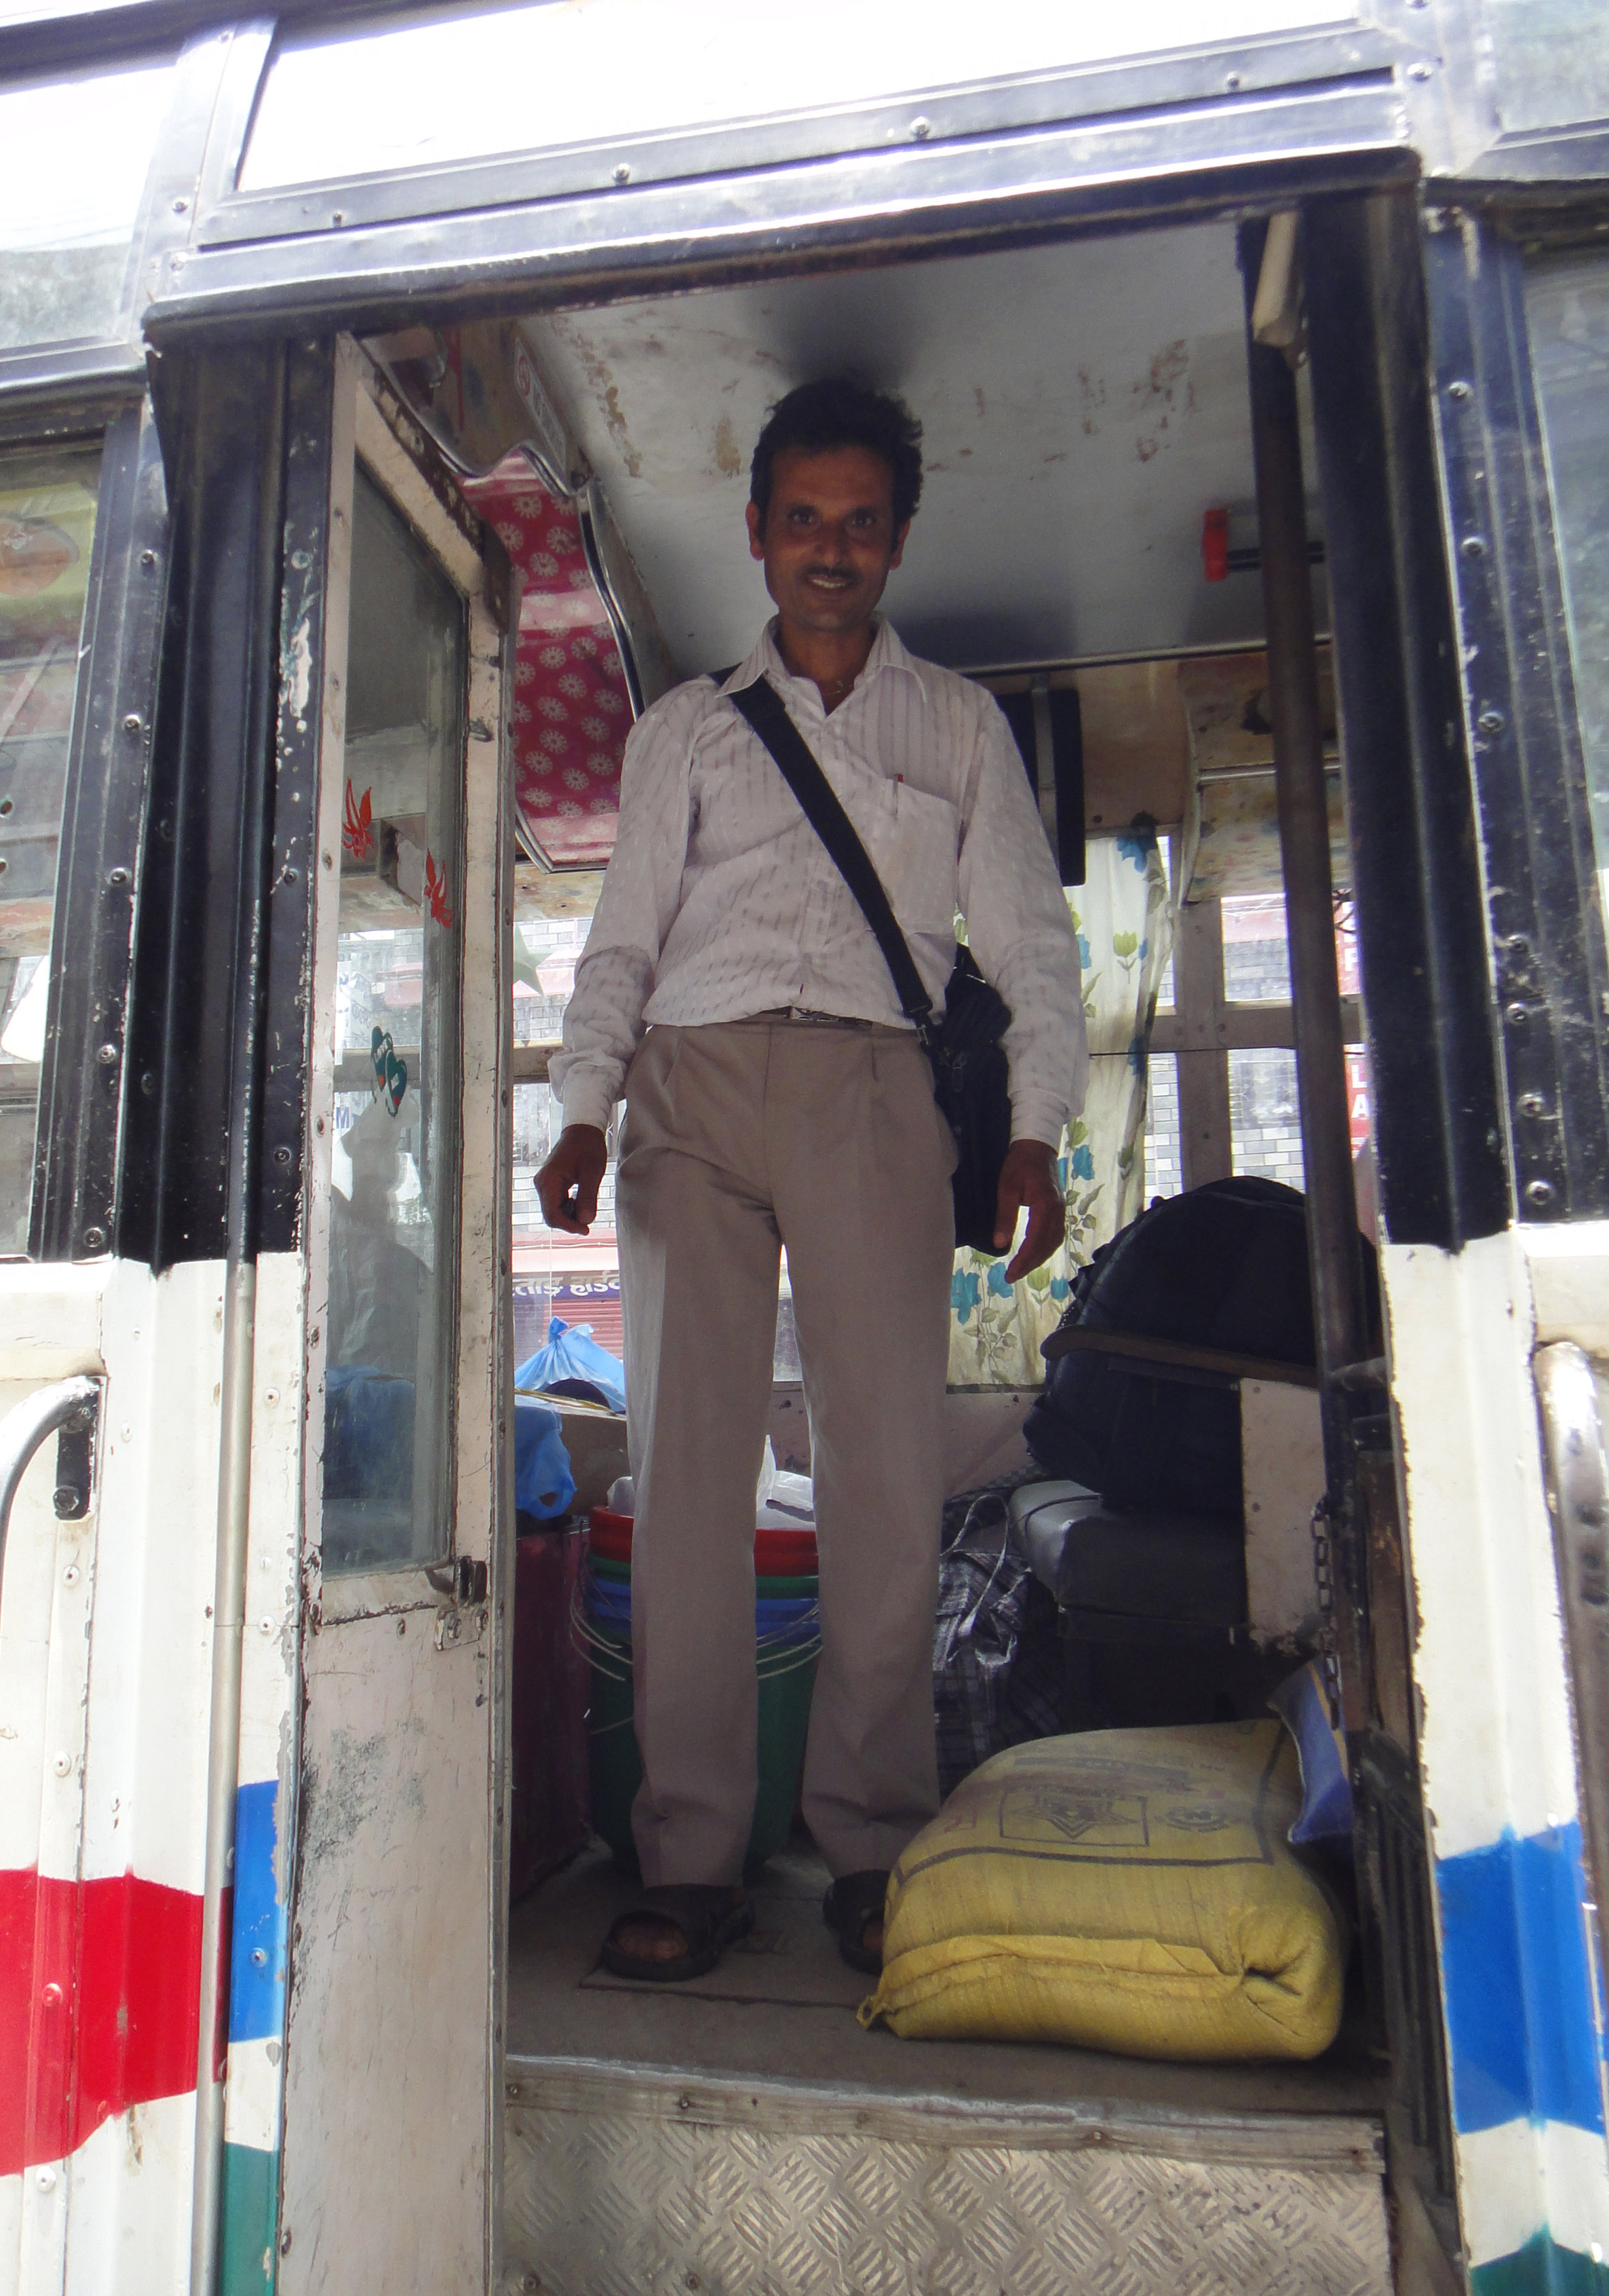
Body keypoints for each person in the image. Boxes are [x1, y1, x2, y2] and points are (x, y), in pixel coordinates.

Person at [537, 377, 1088, 1982]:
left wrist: (1038, 1130)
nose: (830, 550)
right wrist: (583, 1109)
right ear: (759, 534)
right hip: (691, 1094)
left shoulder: (960, 727)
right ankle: (691, 1855)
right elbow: (621, 942)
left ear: (898, 539)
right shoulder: (685, 730)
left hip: (873, 1094)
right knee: (688, 1484)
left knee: (885, 1481)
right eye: (803, 521)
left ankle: (874, 1840)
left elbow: (1031, 950)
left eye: (860, 523)